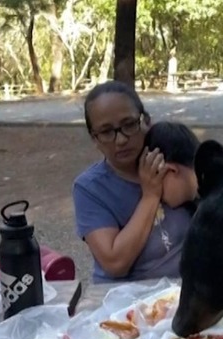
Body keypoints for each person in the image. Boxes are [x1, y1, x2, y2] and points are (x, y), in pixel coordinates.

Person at [73, 81, 194, 284]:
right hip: (126, 301)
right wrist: (150, 195)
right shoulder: (90, 189)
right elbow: (115, 263)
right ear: (94, 139)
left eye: (129, 125)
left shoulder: (174, 158)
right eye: (106, 132)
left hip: (186, 293)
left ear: (146, 120)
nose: (120, 140)